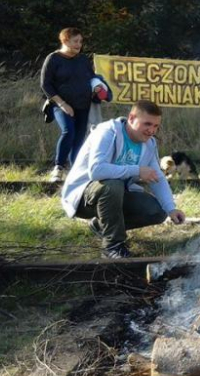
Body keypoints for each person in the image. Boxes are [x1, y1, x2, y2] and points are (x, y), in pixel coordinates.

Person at [61, 100, 186, 259]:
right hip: (83, 196)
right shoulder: (107, 132)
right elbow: (96, 171)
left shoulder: (148, 143)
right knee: (113, 185)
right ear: (132, 118)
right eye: (147, 124)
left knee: (158, 211)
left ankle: (101, 226)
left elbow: (158, 177)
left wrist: (171, 208)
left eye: (156, 126)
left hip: (115, 195)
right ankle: (113, 246)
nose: (151, 131)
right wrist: (137, 170)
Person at [41, 28, 98, 182]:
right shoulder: (53, 59)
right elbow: (45, 85)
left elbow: (92, 79)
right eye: (75, 41)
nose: (79, 44)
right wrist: (62, 104)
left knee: (79, 138)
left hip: (83, 105)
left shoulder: (83, 60)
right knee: (68, 131)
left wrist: (98, 88)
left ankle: (76, 171)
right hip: (60, 105)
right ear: (65, 41)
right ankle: (58, 168)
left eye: (80, 41)